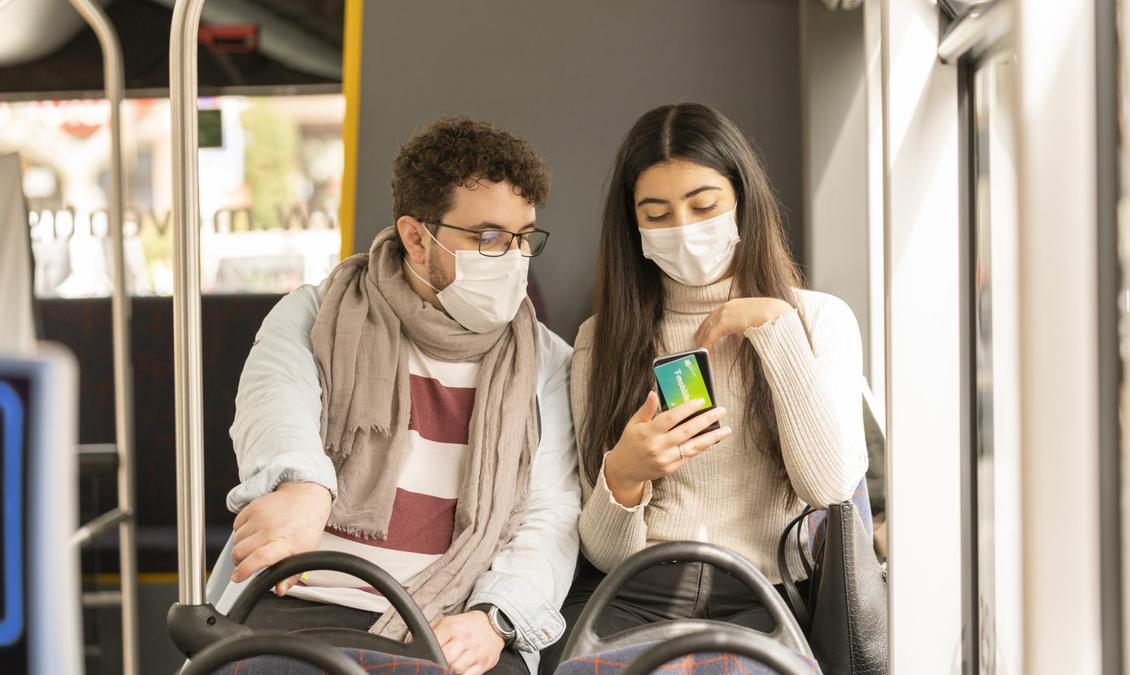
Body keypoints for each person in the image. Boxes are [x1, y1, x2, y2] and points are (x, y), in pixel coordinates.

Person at [219, 117, 581, 675]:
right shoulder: (317, 315)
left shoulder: (546, 360)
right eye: (487, 238)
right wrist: (302, 484)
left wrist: (495, 616)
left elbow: (552, 512)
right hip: (302, 603)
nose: (513, 257)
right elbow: (275, 406)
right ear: (416, 237)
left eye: (523, 237)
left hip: (454, 617)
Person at [540, 103, 868, 671]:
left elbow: (829, 486)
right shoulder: (602, 339)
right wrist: (623, 477)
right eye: (657, 213)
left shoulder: (819, 320)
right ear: (633, 225)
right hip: (633, 601)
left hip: (763, 599)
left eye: (703, 205)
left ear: (742, 201)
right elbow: (605, 554)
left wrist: (775, 330)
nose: (684, 230)